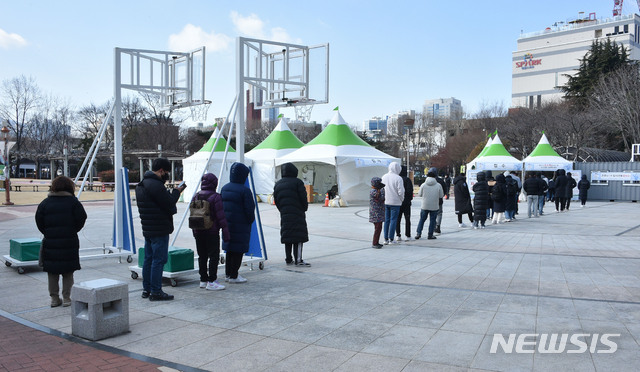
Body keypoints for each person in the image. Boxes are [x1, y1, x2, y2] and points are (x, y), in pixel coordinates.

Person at [136, 158, 186, 301]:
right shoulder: (156, 185)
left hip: (148, 227)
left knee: (148, 259)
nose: (167, 175)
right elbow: (169, 202)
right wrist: (177, 191)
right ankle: (156, 291)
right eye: (166, 172)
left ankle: (147, 289)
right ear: (161, 170)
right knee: (159, 260)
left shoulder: (142, 184)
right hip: (159, 228)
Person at [35, 176, 87, 307]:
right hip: (69, 241)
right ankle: (67, 298)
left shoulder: (45, 203)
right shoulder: (74, 203)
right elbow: (82, 218)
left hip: (50, 241)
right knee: (68, 271)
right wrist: (73, 230)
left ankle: (54, 298)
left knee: (52, 271)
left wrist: (48, 232)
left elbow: (39, 221)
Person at [191, 173, 229, 291]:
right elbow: (221, 216)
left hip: (198, 230)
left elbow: (192, 214)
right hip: (211, 231)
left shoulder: (196, 196)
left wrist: (194, 231)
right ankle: (212, 281)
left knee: (202, 256)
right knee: (213, 256)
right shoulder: (216, 197)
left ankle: (203, 280)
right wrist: (226, 232)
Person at [222, 162, 256, 282]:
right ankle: (234, 275)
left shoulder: (224, 188)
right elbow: (250, 210)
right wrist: (249, 220)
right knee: (238, 250)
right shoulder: (245, 191)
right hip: (241, 226)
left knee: (229, 249)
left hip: (227, 224)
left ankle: (228, 274)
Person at [273, 163, 310, 265]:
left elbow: (276, 200)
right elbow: (303, 197)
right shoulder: (298, 182)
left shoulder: (278, 184)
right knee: (298, 237)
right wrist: (304, 208)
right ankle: (298, 260)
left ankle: (288, 259)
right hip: (297, 213)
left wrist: (283, 210)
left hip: (284, 213)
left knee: (288, 236)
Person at [381, 162, 405, 245]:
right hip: (395, 202)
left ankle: (385, 239)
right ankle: (391, 238)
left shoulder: (384, 177)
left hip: (386, 201)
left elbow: (382, 189)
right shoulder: (398, 178)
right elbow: (401, 191)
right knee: (393, 220)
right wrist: (401, 199)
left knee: (386, 220)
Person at [415, 171, 443, 239]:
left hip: (425, 205)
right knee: (432, 221)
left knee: (422, 220)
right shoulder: (438, 185)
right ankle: (430, 235)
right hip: (434, 206)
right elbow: (441, 195)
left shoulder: (423, 185)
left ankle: (418, 233)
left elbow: (419, 194)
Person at [395, 165, 413, 241]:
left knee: (397, 219)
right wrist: (409, 199)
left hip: (398, 202)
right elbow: (410, 191)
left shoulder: (397, 179)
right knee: (407, 219)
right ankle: (407, 235)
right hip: (406, 203)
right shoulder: (407, 180)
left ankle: (398, 235)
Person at [429, 167, 447, 234]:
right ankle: (438, 226)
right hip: (439, 200)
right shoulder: (441, 181)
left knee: (432, 214)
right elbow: (445, 190)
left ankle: (433, 226)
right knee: (439, 213)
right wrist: (442, 195)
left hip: (431, 200)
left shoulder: (428, 180)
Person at [369, 177, 385, 248]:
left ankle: (376, 242)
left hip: (377, 213)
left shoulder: (376, 190)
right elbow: (381, 198)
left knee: (378, 228)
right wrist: (382, 190)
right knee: (377, 228)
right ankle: (375, 243)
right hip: (376, 213)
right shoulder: (374, 191)